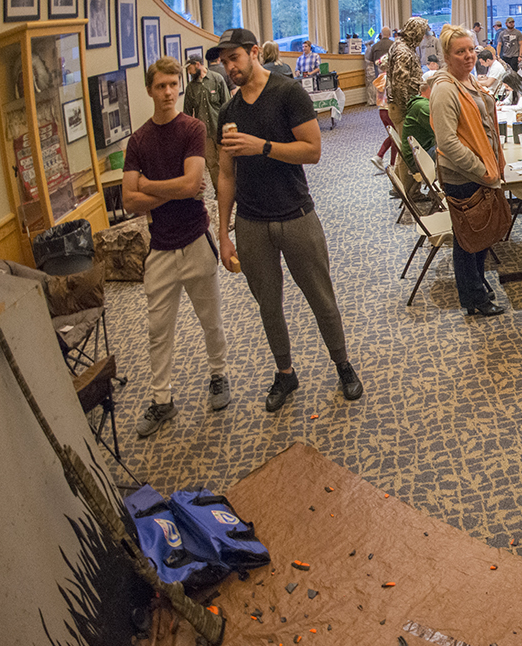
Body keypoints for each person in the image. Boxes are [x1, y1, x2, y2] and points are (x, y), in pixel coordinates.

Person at [212, 28, 362, 411]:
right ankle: (285, 373)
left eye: (235, 58)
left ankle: (342, 363)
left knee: (321, 298)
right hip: (250, 222)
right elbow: (225, 175)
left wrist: (261, 147)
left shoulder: (287, 92)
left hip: (295, 213)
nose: (230, 67)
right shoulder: (228, 113)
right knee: (268, 305)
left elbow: (312, 151)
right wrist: (223, 232)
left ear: (253, 53)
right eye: (224, 62)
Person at [123, 57, 231, 437]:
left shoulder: (193, 128)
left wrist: (149, 186)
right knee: (158, 330)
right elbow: (128, 202)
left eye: (173, 85)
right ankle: (161, 400)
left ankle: (218, 375)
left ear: (179, 87)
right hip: (160, 249)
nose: (168, 92)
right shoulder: (138, 141)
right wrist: (169, 189)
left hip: (196, 240)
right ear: (150, 90)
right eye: (161, 86)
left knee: (211, 321)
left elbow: (192, 186)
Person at [428, 25, 507, 317]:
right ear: (447, 56)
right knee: (468, 240)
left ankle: (477, 286)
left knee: (481, 236)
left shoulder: (469, 81)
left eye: (471, 49)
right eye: (460, 51)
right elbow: (447, 141)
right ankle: (474, 299)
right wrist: (481, 170)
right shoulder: (445, 89)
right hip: (464, 176)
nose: (468, 56)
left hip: (480, 172)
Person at [385, 17, 430, 199]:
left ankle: (399, 187)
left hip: (398, 105)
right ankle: (410, 192)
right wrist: (409, 107)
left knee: (404, 146)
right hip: (403, 106)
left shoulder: (400, 45)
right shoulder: (404, 51)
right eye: (421, 33)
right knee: (410, 150)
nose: (422, 37)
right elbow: (400, 84)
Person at [182, 56, 230, 193]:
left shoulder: (217, 79)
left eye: (190, 68)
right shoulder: (191, 88)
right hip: (204, 134)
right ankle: (219, 191)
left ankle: (231, 189)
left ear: (197, 65)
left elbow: (226, 105)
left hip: (220, 129)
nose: (189, 72)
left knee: (226, 162)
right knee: (212, 163)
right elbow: (187, 113)